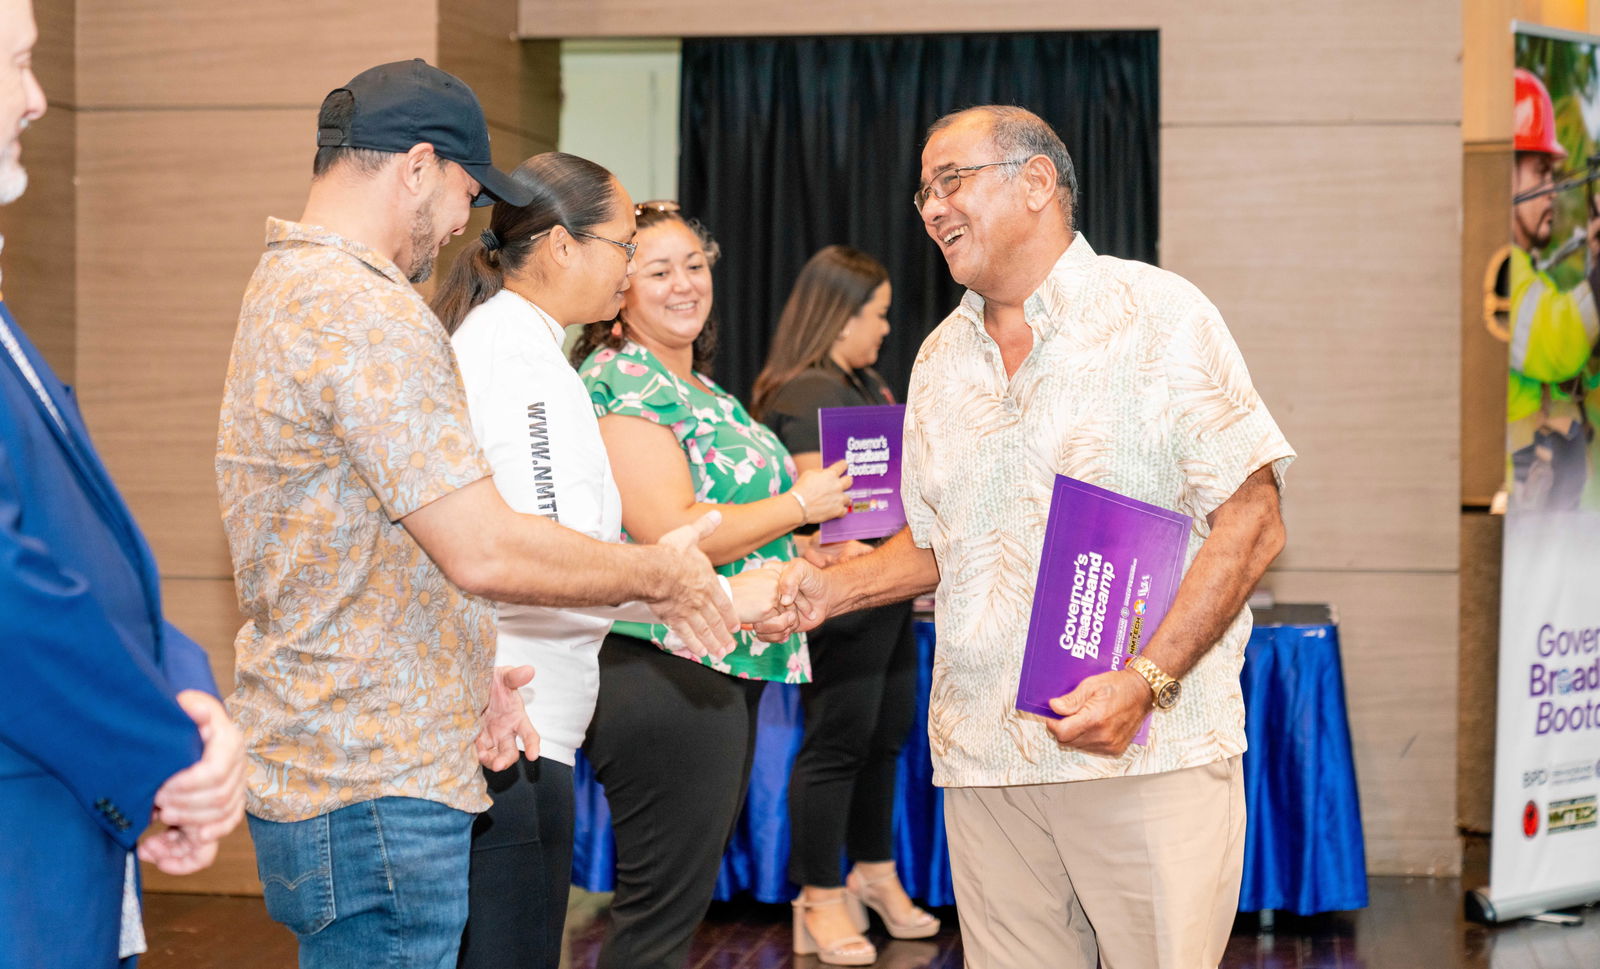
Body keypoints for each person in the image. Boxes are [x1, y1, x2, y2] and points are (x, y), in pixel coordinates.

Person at [216, 64, 736, 969]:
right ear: (419, 166)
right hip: (376, 773)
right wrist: (664, 572)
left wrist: (467, 670)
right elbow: (485, 549)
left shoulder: (299, 285)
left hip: (356, 751)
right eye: (466, 190)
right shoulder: (365, 309)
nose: (467, 221)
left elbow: (385, 544)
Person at [759, 105, 1295, 969]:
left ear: (1038, 181)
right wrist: (834, 588)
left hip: (1142, 755)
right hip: (985, 766)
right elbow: (940, 544)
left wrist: (1147, 681)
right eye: (923, 193)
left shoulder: (1161, 315)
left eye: (952, 181)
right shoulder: (939, 358)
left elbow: (1254, 518)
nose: (932, 208)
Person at [431, 153, 780, 969]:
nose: (629, 266)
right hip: (515, 722)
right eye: (625, 245)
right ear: (561, 246)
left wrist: (685, 588)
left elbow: (556, 556)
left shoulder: (531, 351)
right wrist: (693, 588)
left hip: (531, 716)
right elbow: (534, 557)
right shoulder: (520, 361)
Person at [0, 0, 246, 965]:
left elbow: (90, 555)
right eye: (17, 65)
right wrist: (165, 759)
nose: (36, 99)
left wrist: (187, 692)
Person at [570, 202, 852, 969]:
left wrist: (799, 548)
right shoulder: (624, 377)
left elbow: (733, 518)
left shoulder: (696, 386)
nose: (685, 283)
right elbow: (671, 528)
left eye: (694, 265)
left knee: (671, 911)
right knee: (658, 920)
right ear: (620, 287)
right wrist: (799, 505)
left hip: (715, 659)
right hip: (662, 663)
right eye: (659, 270)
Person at [751, 245, 936, 965]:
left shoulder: (865, 383)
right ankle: (819, 894)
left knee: (884, 734)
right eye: (878, 314)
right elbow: (827, 511)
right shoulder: (806, 392)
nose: (886, 328)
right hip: (845, 591)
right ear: (841, 314)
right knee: (837, 741)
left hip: (886, 590)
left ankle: (873, 871)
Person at [1507, 67, 1600, 510]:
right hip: (1517, 519)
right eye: (1540, 174)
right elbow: (1557, 341)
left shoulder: (1530, 275)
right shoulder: (1501, 271)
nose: (1552, 192)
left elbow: (1572, 372)